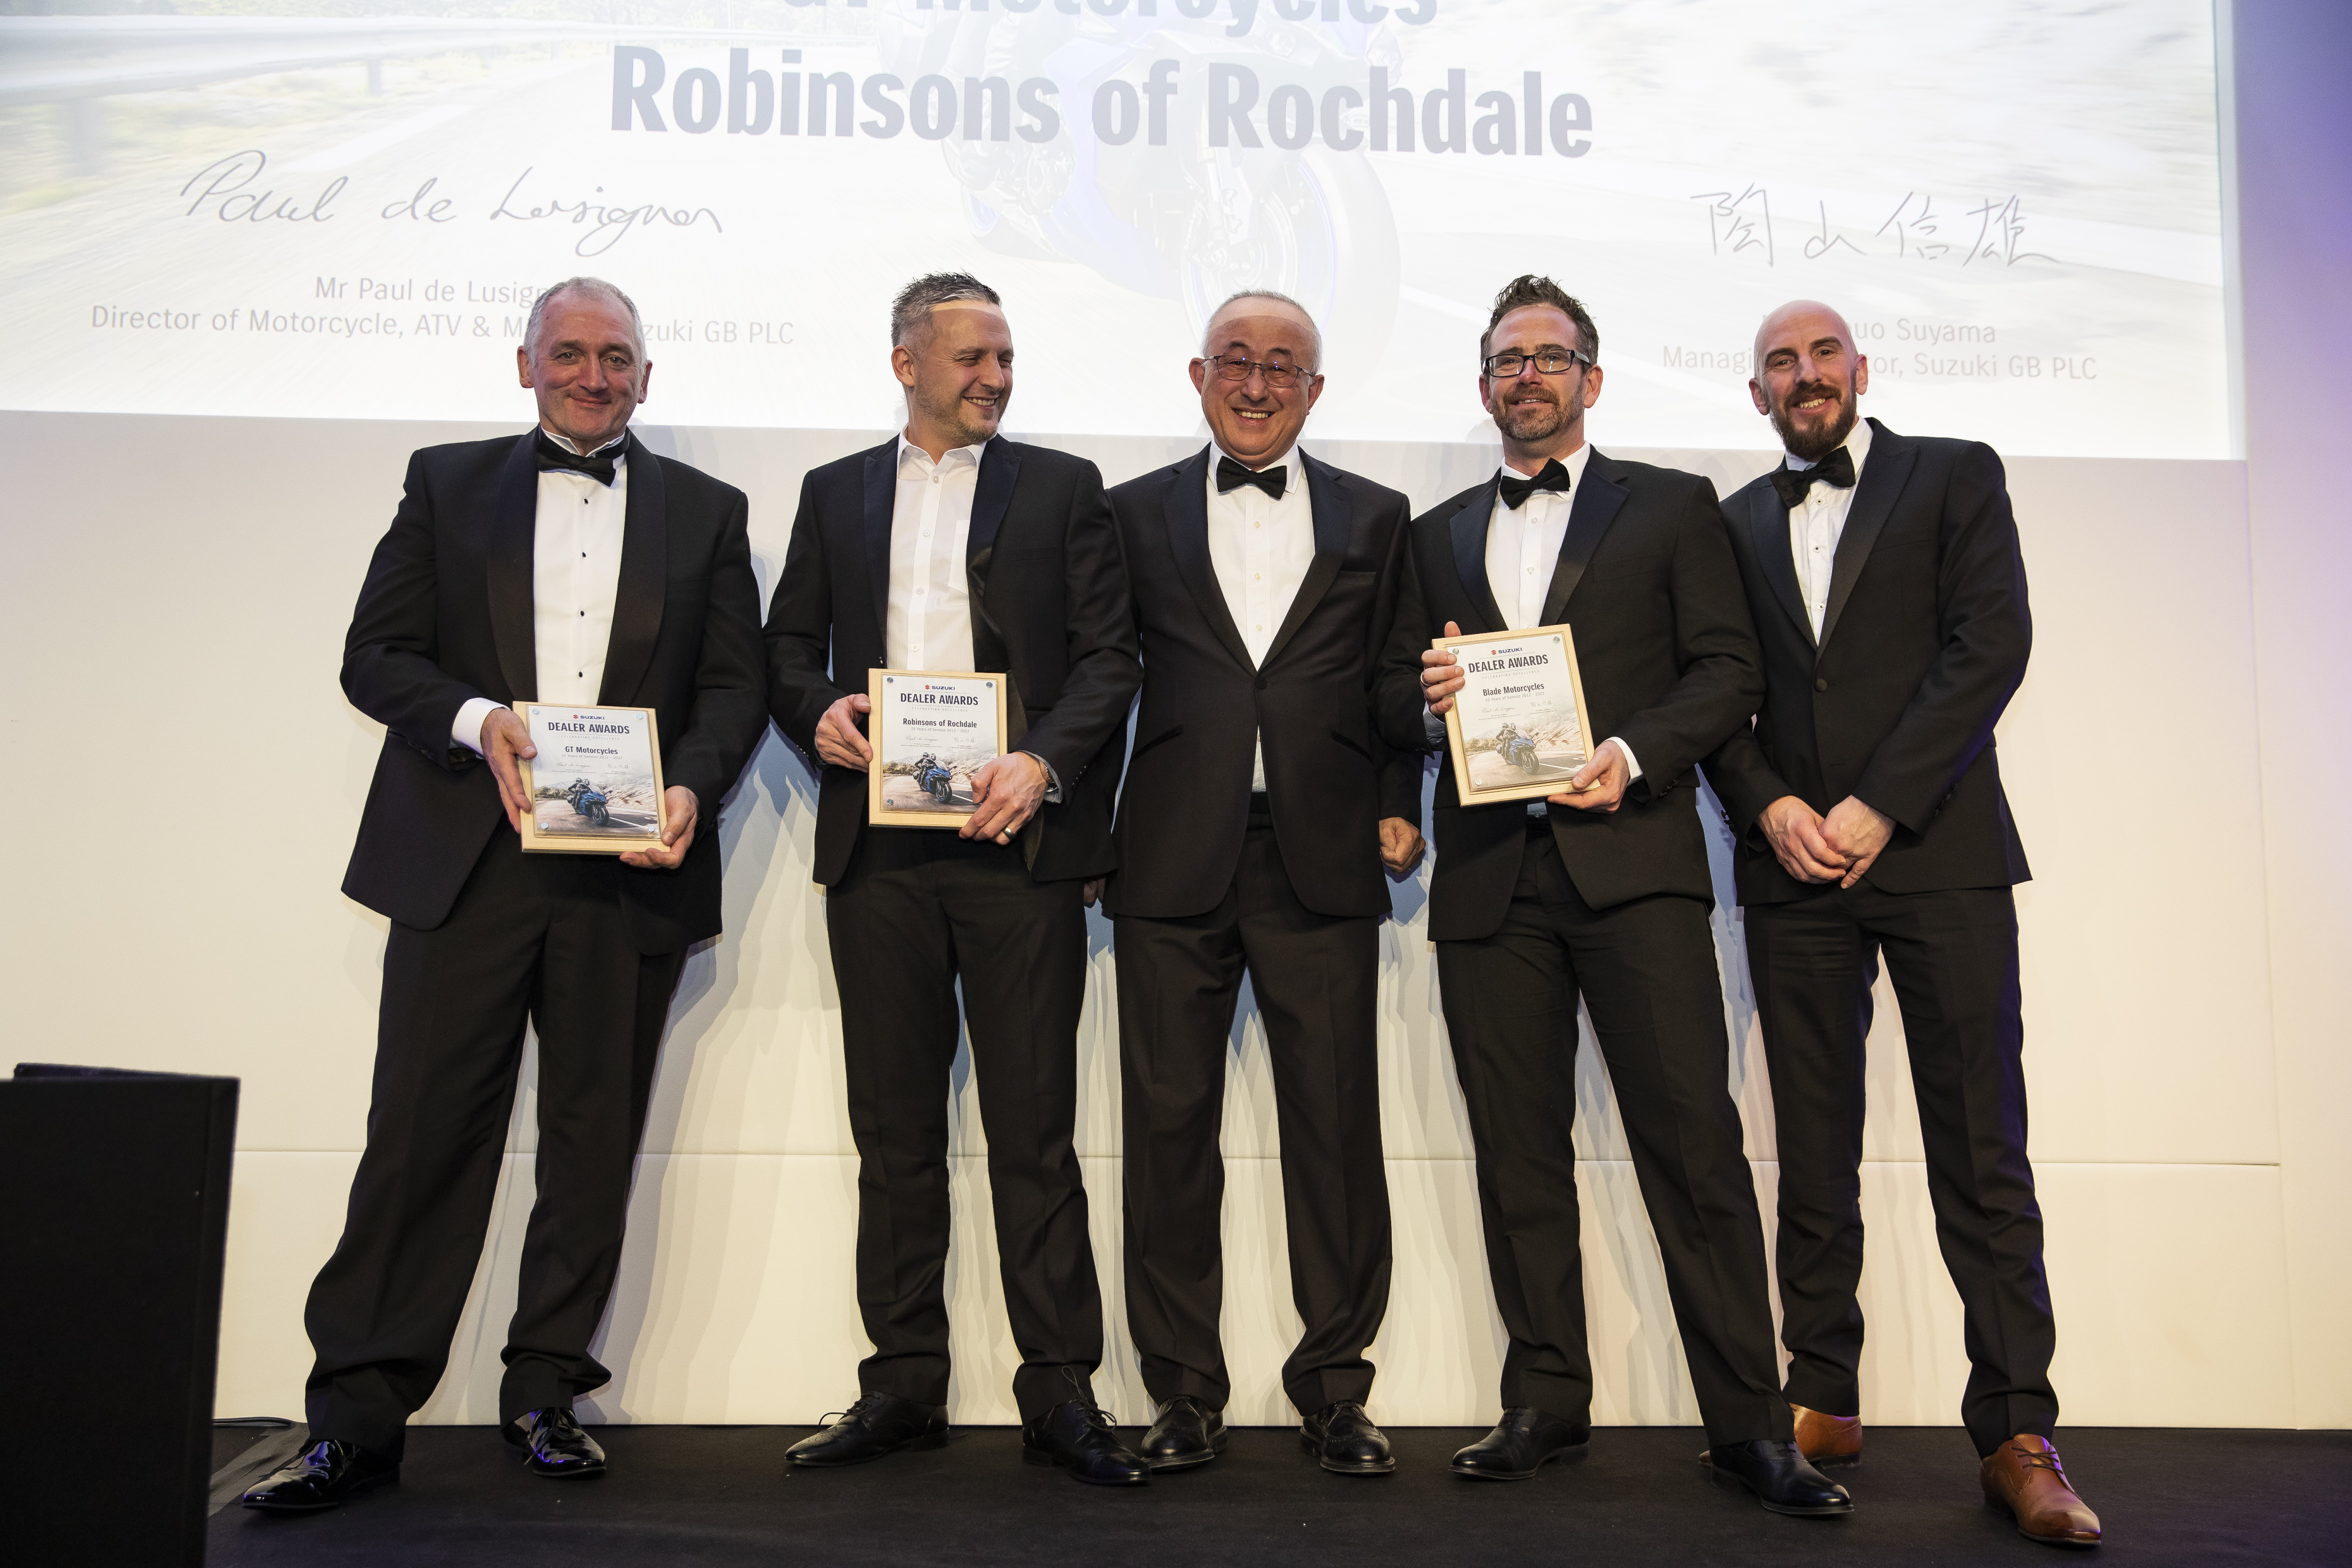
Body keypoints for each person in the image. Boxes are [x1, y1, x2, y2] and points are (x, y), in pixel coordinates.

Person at [242, 277, 769, 1511]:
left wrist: (689, 789)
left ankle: (544, 1393)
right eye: (570, 353)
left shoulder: (707, 511)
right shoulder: (445, 483)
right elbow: (375, 657)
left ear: (647, 376)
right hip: (464, 863)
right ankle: (356, 1420)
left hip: (626, 869)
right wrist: (480, 719)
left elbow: (733, 689)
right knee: (421, 1139)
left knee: (591, 1142)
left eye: (617, 357)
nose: (595, 376)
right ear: (525, 364)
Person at [1375, 275, 1849, 1514]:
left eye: (1549, 356)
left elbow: (1727, 671)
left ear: (1590, 376)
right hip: (1489, 883)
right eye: (1506, 359)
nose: (1526, 375)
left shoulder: (1672, 506)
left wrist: (1632, 754)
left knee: (1694, 1151)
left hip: (1634, 869)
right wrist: (1422, 699)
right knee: (1516, 1155)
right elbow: (1384, 698)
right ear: (1485, 384)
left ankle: (1747, 1426)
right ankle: (1544, 1399)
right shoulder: (1431, 535)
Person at [1705, 300, 2099, 1547]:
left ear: (1860, 369)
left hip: (1938, 853)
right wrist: (1768, 805)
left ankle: (2016, 1432)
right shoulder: (1729, 523)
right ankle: (1821, 1396)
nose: (1804, 375)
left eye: (1822, 354)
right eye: (1780, 362)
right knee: (1812, 1150)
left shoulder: (1953, 473)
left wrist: (1878, 802)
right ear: (1756, 392)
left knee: (1980, 1148)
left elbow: (1991, 644)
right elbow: (1715, 689)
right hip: (1794, 870)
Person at [762, 273, 1148, 1485]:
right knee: (893, 1132)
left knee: (1034, 1131)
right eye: (972, 357)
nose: (994, 376)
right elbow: (785, 647)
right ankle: (902, 1385)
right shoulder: (834, 492)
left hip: (1013, 849)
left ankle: (1061, 1389)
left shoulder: (1064, 487)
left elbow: (1110, 659)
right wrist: (816, 711)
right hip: (877, 853)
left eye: (1005, 357)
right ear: (907, 364)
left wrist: (1042, 761)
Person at [1104, 290, 1423, 1476]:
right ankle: (1182, 1391)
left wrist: (1401, 794)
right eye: (1235, 361)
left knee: (1335, 1132)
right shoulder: (1126, 513)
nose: (1256, 383)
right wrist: (1083, 841)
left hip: (1322, 853)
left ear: (1316, 389)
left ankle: (1335, 1390)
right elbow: (1095, 677)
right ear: (1198, 376)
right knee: (1166, 1134)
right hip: (1167, 856)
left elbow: (1396, 677)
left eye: (1282, 366)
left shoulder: (1378, 515)